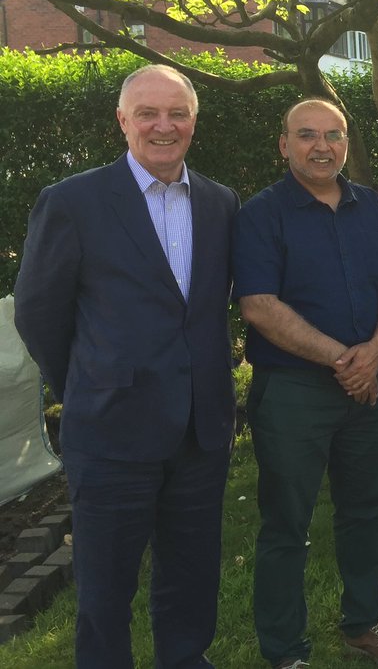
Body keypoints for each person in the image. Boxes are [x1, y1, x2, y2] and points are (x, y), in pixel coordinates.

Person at [14, 64, 239, 668]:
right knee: (106, 590)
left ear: (194, 121)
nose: (164, 126)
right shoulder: (73, 202)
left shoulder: (220, 203)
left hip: (201, 430)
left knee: (192, 579)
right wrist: (89, 383)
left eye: (178, 113)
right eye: (148, 113)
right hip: (111, 431)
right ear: (123, 120)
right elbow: (39, 315)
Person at [233, 98, 378, 668]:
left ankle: (364, 624)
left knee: (366, 509)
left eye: (333, 135)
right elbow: (260, 306)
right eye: (307, 135)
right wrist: (348, 361)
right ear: (284, 145)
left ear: (345, 141)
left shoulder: (368, 205)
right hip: (295, 392)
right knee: (287, 520)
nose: (322, 146)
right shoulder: (261, 214)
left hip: (372, 383)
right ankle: (285, 650)